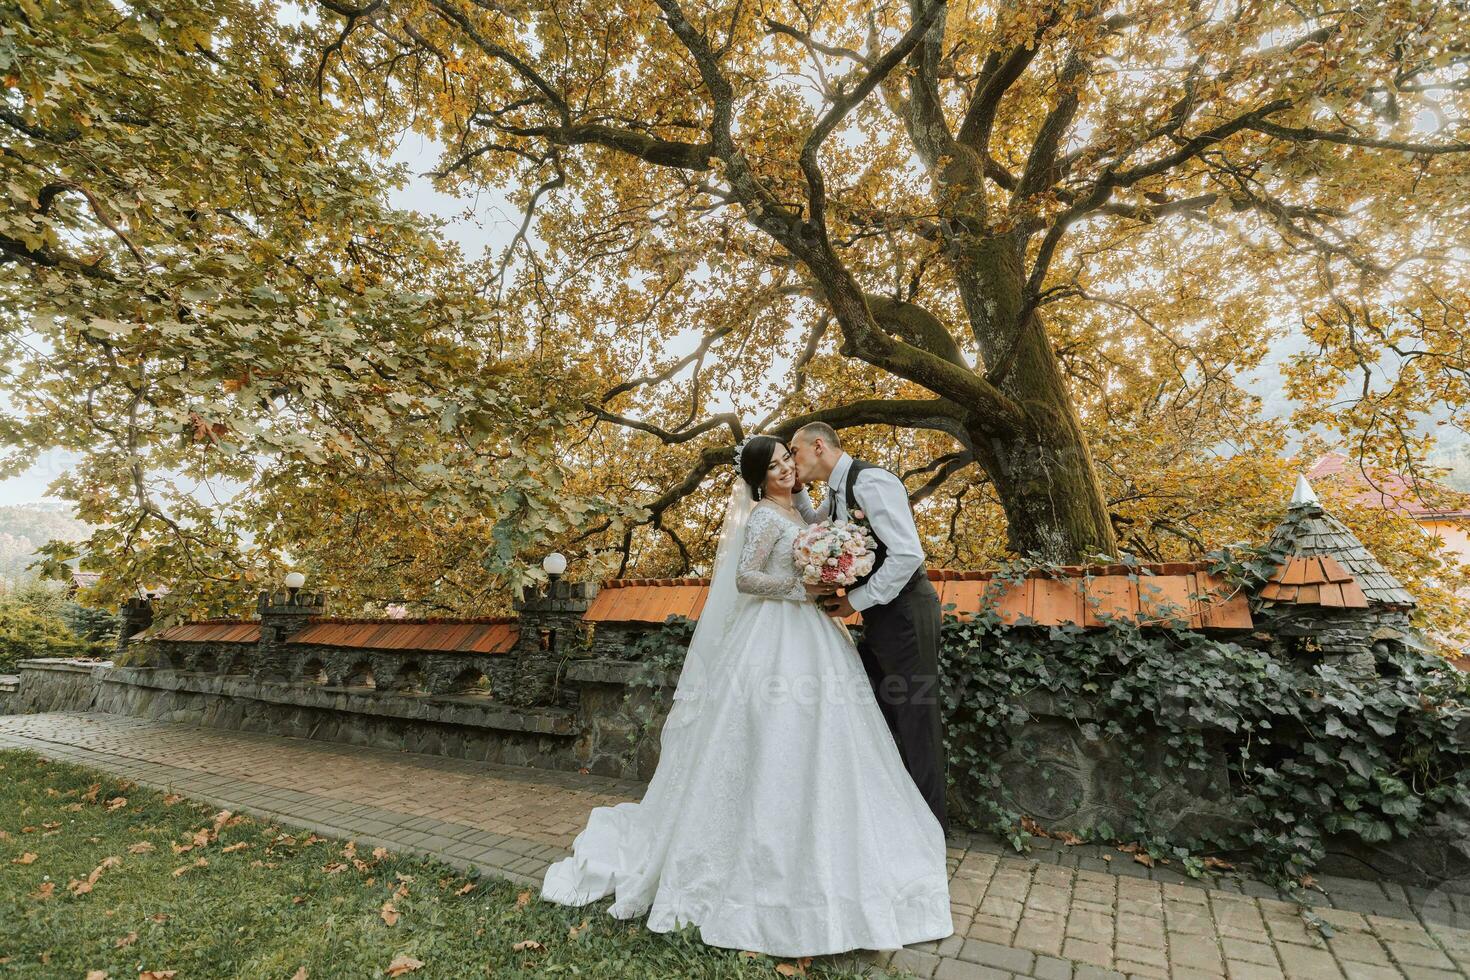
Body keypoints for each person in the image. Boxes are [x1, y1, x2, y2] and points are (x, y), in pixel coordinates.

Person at [540, 435, 952, 957]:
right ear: (759, 477)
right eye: (777, 464)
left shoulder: (811, 505)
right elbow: (746, 576)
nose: (787, 468)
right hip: (774, 634)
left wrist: (830, 577)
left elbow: (824, 529)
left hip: (817, 633)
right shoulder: (761, 516)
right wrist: (800, 589)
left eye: (789, 459)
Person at [788, 422, 948, 832]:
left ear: (818, 445)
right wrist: (794, 487)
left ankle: (931, 829)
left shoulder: (872, 481)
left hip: (908, 614)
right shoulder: (837, 493)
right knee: (877, 713)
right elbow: (813, 525)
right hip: (880, 617)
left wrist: (853, 602)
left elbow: (907, 554)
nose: (792, 459)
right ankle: (897, 815)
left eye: (794, 452)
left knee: (916, 719)